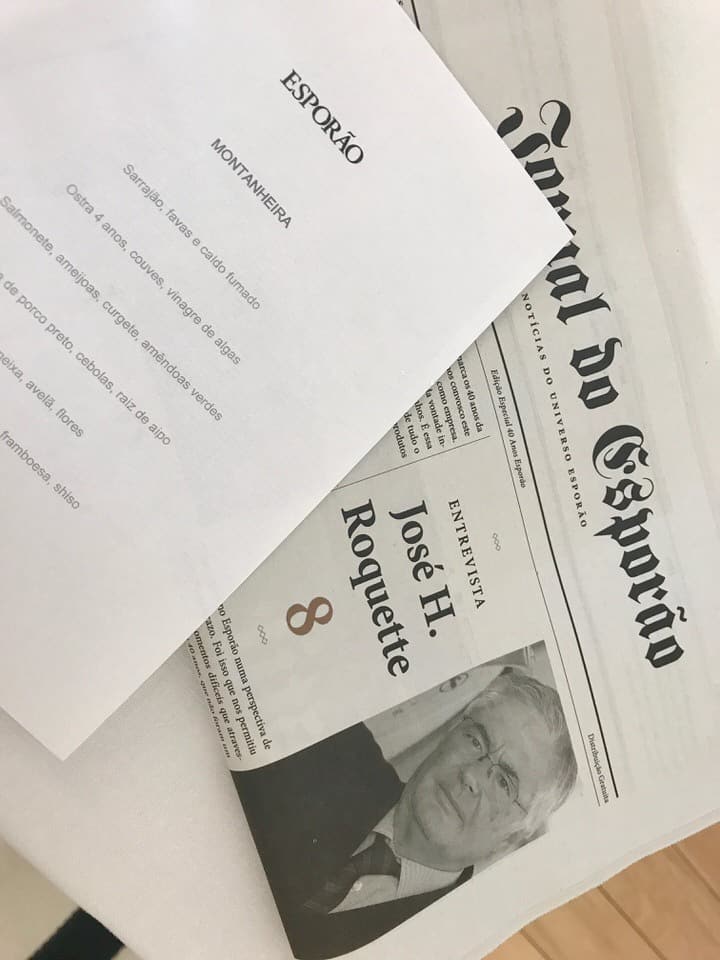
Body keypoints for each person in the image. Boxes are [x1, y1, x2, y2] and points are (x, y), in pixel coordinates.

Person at [235, 667, 577, 960]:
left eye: (504, 783)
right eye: (475, 741)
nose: (472, 776)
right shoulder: (325, 746)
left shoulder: (450, 947)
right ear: (451, 733)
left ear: (515, 838)